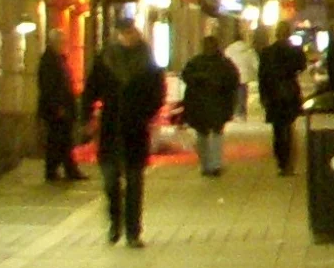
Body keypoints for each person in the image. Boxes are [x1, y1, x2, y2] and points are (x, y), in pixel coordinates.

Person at [79, 20, 165, 248]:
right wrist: (86, 117)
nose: (127, 37)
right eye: (123, 33)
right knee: (110, 182)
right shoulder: (105, 59)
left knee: (135, 182)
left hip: (135, 129)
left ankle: (133, 232)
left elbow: (158, 92)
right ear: (117, 35)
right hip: (110, 128)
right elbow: (90, 90)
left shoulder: (147, 60)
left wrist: (146, 113)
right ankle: (114, 224)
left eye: (130, 32)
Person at [181, 36, 241, 176]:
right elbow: (233, 82)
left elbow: (186, 77)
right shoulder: (224, 64)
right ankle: (215, 164)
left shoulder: (195, 62)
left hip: (199, 105)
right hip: (218, 105)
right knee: (216, 133)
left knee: (202, 134)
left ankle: (206, 164)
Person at [258, 21, 306, 176]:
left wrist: (263, 95)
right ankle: (288, 162)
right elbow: (301, 66)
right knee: (288, 127)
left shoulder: (267, 52)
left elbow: (262, 76)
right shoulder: (294, 51)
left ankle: (281, 162)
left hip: (273, 94)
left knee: (278, 130)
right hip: (289, 93)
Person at [36, 28, 84, 182]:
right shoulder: (49, 61)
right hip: (56, 109)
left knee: (63, 140)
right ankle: (55, 170)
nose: (64, 44)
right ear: (53, 42)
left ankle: (66, 169)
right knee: (57, 140)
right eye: (62, 42)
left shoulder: (59, 59)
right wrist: (57, 107)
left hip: (63, 107)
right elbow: (49, 87)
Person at [224, 30, 259, 120]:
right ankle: (241, 112)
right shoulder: (248, 49)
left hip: (232, 75)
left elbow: (225, 63)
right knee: (242, 93)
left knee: (234, 93)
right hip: (244, 75)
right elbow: (255, 63)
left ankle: (235, 111)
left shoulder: (228, 50)